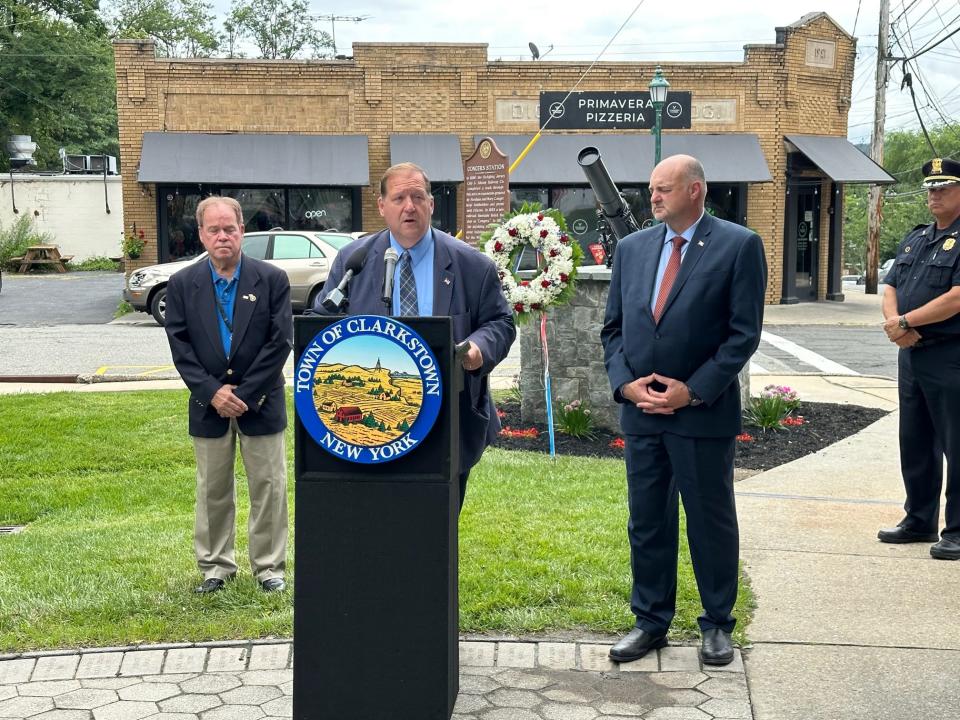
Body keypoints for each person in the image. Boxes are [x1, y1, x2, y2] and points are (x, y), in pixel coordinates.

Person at [600, 154, 767, 666]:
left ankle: (717, 624)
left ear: (695, 190)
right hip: (643, 414)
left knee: (709, 522)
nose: (652, 197)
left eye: (663, 189)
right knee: (647, 521)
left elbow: (742, 336)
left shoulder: (739, 245)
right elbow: (613, 330)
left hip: (700, 414)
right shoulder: (631, 249)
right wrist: (627, 386)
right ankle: (650, 621)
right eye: (651, 188)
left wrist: (691, 391)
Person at [313, 162, 515, 510]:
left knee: (435, 532)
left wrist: (477, 350)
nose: (409, 206)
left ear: (431, 205)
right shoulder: (353, 261)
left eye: (418, 197)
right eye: (399, 197)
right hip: (372, 430)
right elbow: (322, 325)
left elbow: (500, 322)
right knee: (378, 522)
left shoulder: (470, 265)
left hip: (448, 420)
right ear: (381, 206)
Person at [164, 196, 293, 594]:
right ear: (201, 234)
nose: (223, 236)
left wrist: (246, 394)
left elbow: (280, 342)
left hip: (262, 400)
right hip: (208, 406)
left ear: (242, 231)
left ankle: (269, 567)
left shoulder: (272, 280)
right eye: (214, 230)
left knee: (269, 486)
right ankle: (216, 567)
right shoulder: (183, 284)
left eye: (230, 229)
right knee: (212, 488)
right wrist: (213, 392)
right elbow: (180, 347)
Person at [877, 157, 960, 561]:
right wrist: (896, 324)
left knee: (955, 442)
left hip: (950, 353)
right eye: (931, 188)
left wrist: (907, 321)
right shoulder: (916, 238)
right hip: (912, 354)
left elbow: (957, 298)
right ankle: (919, 518)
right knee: (916, 440)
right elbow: (890, 283)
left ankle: (958, 530)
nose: (934, 194)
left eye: (943, 187)